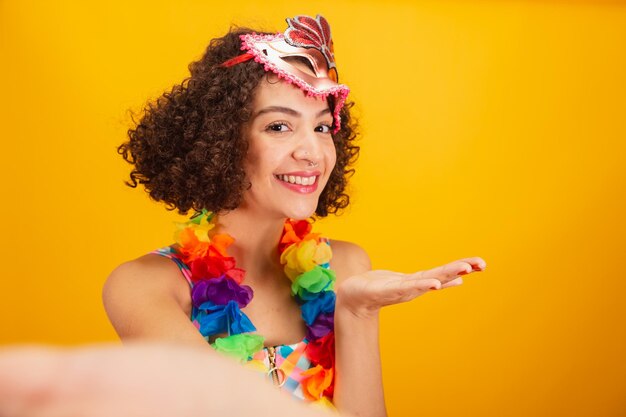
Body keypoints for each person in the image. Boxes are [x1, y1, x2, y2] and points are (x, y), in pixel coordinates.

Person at [104, 14, 486, 417]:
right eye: (280, 126)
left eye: (322, 128)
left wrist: (357, 312)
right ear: (220, 142)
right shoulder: (144, 287)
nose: (312, 153)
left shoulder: (346, 266)